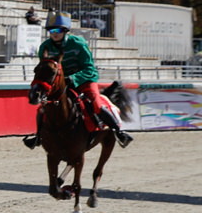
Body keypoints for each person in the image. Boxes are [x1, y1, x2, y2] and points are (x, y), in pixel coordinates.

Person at [24, 13, 132, 149]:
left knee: (96, 103)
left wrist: (73, 78)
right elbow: (46, 69)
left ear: (65, 31)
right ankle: (38, 136)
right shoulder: (45, 47)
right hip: (61, 83)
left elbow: (89, 68)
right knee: (43, 108)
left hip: (85, 79)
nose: (54, 33)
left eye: (58, 30)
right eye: (51, 30)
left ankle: (119, 132)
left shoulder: (78, 44)